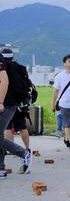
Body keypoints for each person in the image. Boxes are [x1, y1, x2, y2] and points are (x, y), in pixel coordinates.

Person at [0, 48, 32, 179]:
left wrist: (1, 101)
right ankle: (1, 168)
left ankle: (23, 153)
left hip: (6, 104)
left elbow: (4, 81)